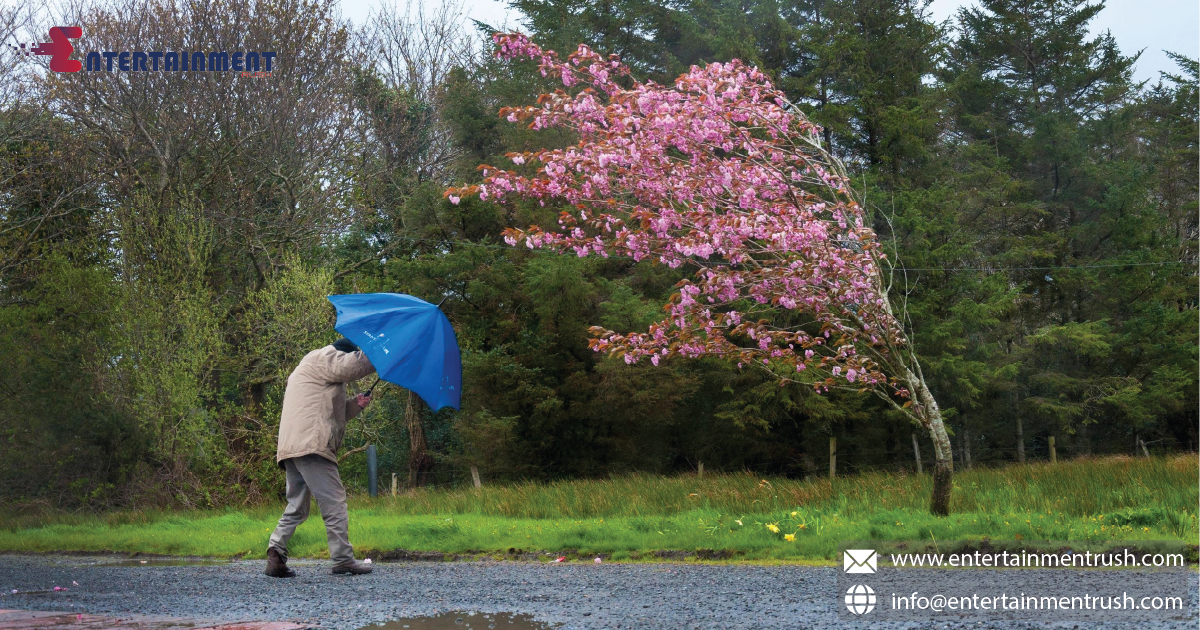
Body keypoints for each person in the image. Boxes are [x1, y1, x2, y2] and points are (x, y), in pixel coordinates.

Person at [265, 337, 377, 577]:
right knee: (334, 501)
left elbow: (326, 413)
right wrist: (381, 352)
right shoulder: (325, 357)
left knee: (297, 505)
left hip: (293, 445)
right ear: (343, 352)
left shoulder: (309, 368)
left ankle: (275, 553)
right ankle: (343, 560)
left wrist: (355, 404)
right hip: (312, 445)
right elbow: (353, 366)